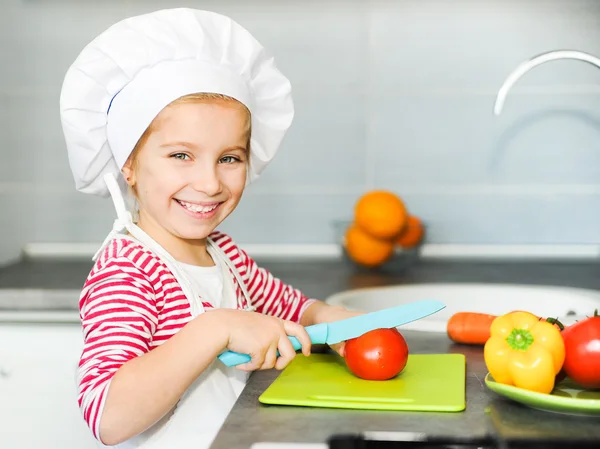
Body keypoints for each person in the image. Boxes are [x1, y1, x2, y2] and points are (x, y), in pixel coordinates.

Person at [59, 7, 360, 449]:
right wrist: (214, 328)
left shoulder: (222, 252)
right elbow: (108, 415)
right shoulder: (126, 272)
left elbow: (289, 306)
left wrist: (326, 317)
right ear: (130, 166)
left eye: (229, 158)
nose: (209, 183)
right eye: (181, 155)